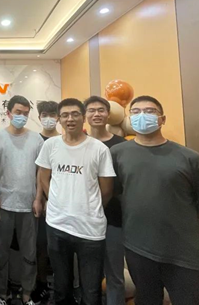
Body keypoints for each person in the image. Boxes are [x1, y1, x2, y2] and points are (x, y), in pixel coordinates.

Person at [111, 96, 199, 305]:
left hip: (184, 253)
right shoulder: (117, 154)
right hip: (138, 248)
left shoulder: (191, 159)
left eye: (149, 111)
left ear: (162, 119)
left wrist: (188, 237)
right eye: (136, 112)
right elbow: (112, 194)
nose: (142, 116)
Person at [37, 98, 115, 305]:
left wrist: (89, 206)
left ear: (83, 117)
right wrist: (56, 200)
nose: (69, 119)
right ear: (59, 119)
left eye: (74, 114)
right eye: (64, 115)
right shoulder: (51, 145)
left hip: (90, 228)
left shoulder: (99, 149)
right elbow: (43, 177)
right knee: (61, 287)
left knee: (91, 291)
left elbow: (107, 189)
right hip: (57, 225)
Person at [0, 95, 44, 305]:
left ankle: (27, 293)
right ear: (8, 113)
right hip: (3, 203)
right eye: (18, 112)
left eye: (25, 113)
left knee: (29, 252)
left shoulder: (36, 139)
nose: (22, 116)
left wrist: (38, 198)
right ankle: (1, 293)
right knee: (1, 252)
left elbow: (41, 173)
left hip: (29, 204)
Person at [84, 96, 127, 305]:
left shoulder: (121, 145)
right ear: (85, 115)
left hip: (113, 217)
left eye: (101, 110)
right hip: (84, 218)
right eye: (91, 110)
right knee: (87, 273)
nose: (96, 114)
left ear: (108, 114)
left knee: (114, 274)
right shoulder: (77, 143)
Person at [31, 101, 60, 305]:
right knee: (40, 246)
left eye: (52, 114)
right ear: (39, 117)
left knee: (59, 248)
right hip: (39, 202)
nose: (48, 118)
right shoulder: (34, 140)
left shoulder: (63, 140)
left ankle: (63, 287)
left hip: (62, 203)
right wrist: (39, 198)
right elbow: (39, 173)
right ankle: (41, 284)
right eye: (44, 115)